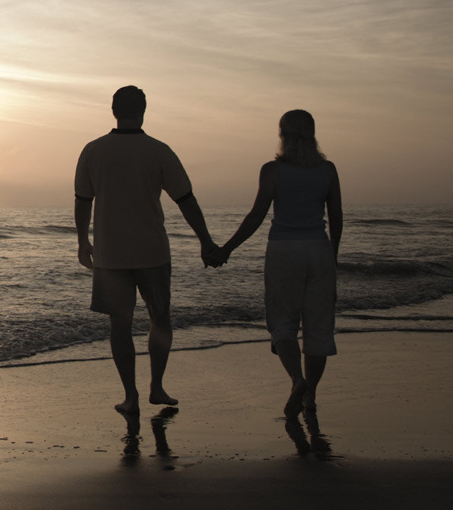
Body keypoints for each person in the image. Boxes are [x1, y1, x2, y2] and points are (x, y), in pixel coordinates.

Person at [74, 85, 218, 415]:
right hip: (152, 250)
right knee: (160, 318)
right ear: (144, 110)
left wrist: (82, 242)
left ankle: (131, 395)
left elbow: (83, 202)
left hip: (111, 255)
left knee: (119, 325)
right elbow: (186, 200)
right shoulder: (158, 150)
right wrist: (205, 240)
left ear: (113, 110)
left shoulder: (93, 151)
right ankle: (157, 386)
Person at [208, 109, 343, 417]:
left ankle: (297, 380)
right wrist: (331, 258)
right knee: (318, 327)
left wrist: (227, 248)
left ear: (282, 135)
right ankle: (310, 395)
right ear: (313, 135)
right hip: (319, 249)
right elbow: (336, 218)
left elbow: (256, 216)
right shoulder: (328, 170)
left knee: (282, 321)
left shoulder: (272, 170)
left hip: (283, 250)